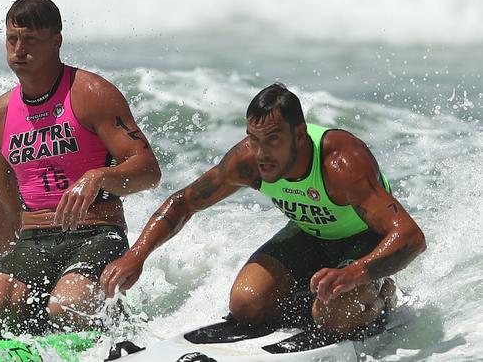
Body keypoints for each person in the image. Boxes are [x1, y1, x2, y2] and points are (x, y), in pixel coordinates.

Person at [101, 83, 425, 336]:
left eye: (272, 139)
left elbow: (409, 236)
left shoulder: (340, 164)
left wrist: (356, 273)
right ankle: (314, 296)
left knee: (333, 316)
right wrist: (137, 255)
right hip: (310, 235)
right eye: (253, 139)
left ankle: (380, 291)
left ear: (299, 135)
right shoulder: (248, 162)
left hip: (363, 240)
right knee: (246, 305)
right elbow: (183, 202)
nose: (261, 152)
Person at [0, 0, 161, 336]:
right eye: (12, 39)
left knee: (67, 307)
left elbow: (148, 170)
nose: (18, 49)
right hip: (33, 240)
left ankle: (108, 319)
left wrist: (100, 177)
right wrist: (4, 266)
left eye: (30, 40)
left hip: (96, 233)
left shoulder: (91, 94)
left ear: (56, 41)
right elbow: (3, 201)